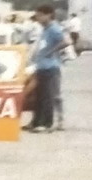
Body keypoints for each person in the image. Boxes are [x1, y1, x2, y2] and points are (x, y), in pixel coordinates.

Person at [25, 5, 65, 133]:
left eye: (40, 15)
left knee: (48, 96)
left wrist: (51, 52)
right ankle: (36, 122)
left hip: (50, 66)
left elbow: (66, 41)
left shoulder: (54, 29)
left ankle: (47, 123)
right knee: (39, 96)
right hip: (41, 66)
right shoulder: (44, 29)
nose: (38, 18)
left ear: (49, 15)